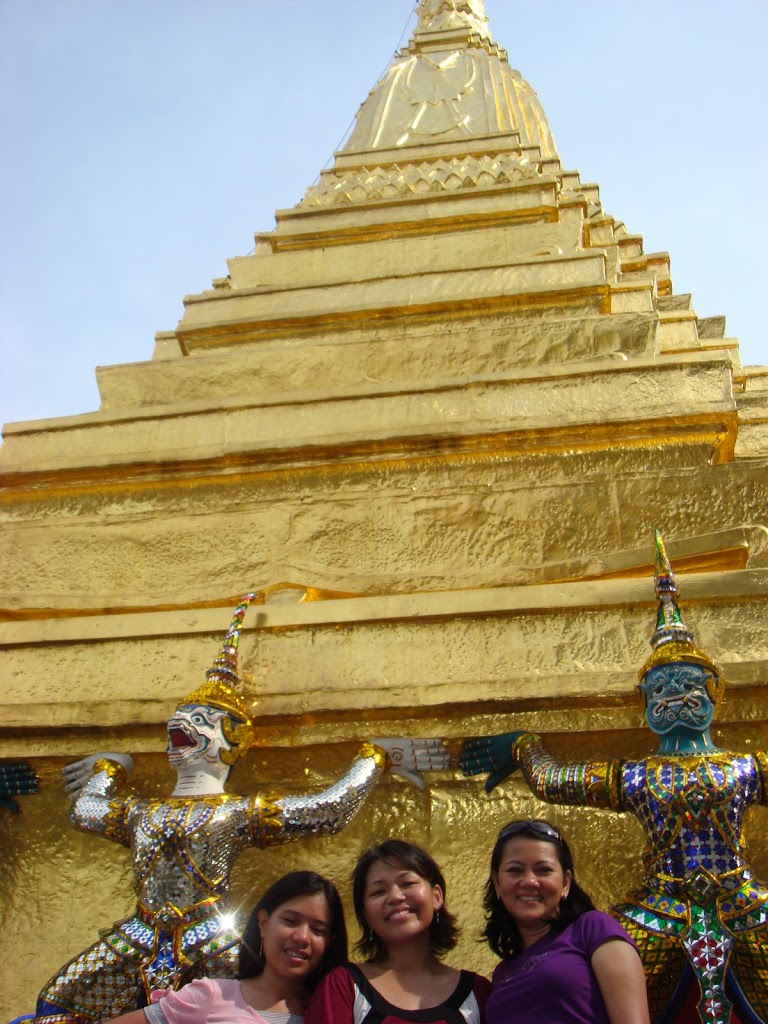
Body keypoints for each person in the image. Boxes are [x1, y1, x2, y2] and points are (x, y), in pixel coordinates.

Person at [32, 592, 449, 1023]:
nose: (181, 724)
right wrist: (110, 768)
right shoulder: (140, 813)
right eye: (181, 717)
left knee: (265, 1005)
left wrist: (373, 759)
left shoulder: (235, 813)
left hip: (210, 937)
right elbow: (86, 810)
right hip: (139, 932)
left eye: (201, 720)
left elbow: (327, 810)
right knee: (56, 1004)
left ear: (231, 740)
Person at [460, 532, 768, 1024]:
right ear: (644, 705)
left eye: (689, 686)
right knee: (584, 974)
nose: (674, 697)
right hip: (660, 908)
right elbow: (554, 781)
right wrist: (524, 747)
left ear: (716, 692)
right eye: (661, 690)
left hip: (745, 900)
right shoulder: (635, 777)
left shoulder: (748, 767)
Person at [108, 870, 348, 1024]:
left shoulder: (340, 1010)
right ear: (263, 922)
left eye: (318, 930)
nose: (302, 937)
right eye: (290, 921)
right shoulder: (211, 995)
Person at [305, 838, 490, 1024]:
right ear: (365, 914)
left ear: (436, 896)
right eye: (378, 892)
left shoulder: (477, 992)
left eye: (407, 883)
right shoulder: (343, 986)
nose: (395, 897)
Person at [483, 819, 649, 1024]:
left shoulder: (593, 929)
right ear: (497, 883)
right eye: (515, 870)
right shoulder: (502, 973)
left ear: (565, 882)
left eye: (543, 870)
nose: (529, 881)